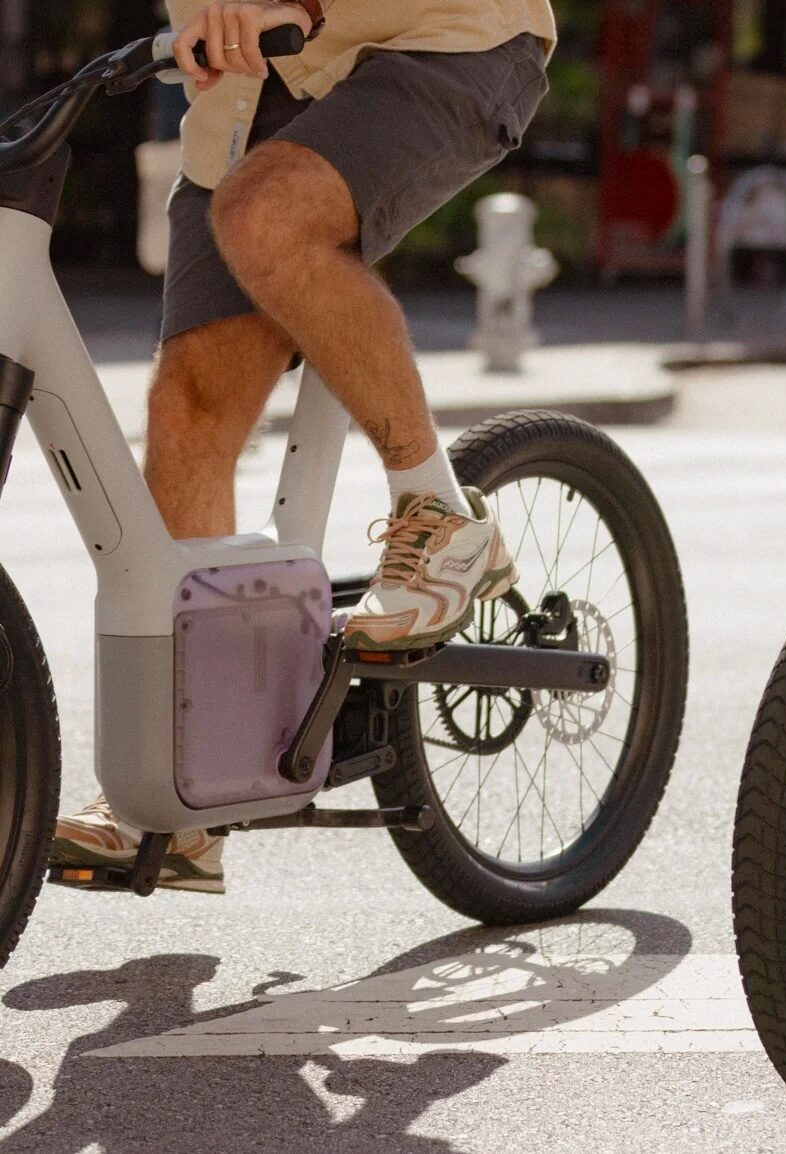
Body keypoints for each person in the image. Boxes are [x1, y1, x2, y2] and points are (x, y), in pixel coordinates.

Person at [49, 0, 555, 892]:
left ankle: (437, 513)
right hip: (244, 102)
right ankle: (189, 792)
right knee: (188, 408)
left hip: (438, 41)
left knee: (267, 213)